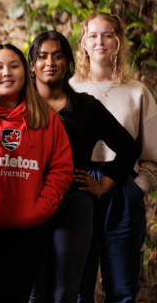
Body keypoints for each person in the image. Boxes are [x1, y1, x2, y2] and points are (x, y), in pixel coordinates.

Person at [27, 31, 139, 303]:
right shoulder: (21, 106)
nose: (50, 62)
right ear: (32, 65)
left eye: (58, 55)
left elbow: (128, 148)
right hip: (30, 203)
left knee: (66, 291)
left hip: (74, 205)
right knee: (34, 291)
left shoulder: (86, 107)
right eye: (41, 56)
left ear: (68, 63)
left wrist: (102, 185)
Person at [0, 44, 73, 303]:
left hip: (28, 229)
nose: (6, 73)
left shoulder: (46, 117)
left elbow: (61, 169)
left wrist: (39, 209)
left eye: (14, 65)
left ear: (26, 71)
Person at [70, 13, 157, 303]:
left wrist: (138, 187)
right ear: (83, 42)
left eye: (107, 35)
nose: (99, 41)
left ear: (118, 42)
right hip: (78, 185)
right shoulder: (68, 91)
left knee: (121, 288)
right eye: (92, 35)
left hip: (121, 187)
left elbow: (152, 151)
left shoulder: (136, 92)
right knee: (77, 286)